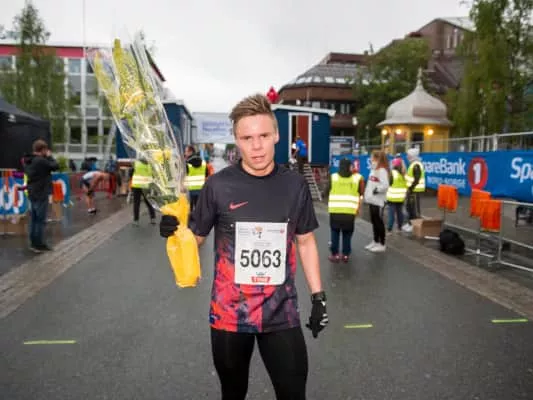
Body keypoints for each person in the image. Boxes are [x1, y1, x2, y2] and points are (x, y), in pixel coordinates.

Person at [159, 93, 328, 400]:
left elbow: (305, 241)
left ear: (276, 135)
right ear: (236, 141)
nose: (257, 146)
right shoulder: (218, 185)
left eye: (263, 135)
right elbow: (196, 238)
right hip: (230, 313)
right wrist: (175, 233)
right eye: (247, 138)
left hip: (281, 310)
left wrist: (319, 297)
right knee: (233, 394)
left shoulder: (295, 185)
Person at [23, 139, 59, 253]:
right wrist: (50, 157)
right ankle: (39, 244)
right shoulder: (40, 160)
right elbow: (55, 166)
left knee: (34, 219)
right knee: (40, 220)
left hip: (32, 192)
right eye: (45, 150)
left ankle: (33, 243)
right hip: (41, 192)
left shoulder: (28, 160)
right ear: (42, 149)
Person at [326, 158, 364, 263]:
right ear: (350, 167)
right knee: (347, 234)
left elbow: (326, 191)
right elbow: (361, 193)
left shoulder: (333, 177)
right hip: (349, 212)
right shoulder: (356, 179)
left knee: (335, 233)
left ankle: (335, 255)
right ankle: (346, 254)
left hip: (335, 211)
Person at [363, 150, 390, 252]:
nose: (370, 159)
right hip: (372, 200)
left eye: (372, 157)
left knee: (378, 222)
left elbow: (385, 185)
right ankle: (375, 241)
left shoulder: (382, 170)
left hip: (378, 201)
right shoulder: (373, 169)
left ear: (377, 158)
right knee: (374, 221)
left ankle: (382, 244)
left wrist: (376, 190)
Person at [404, 147, 425, 231]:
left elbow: (417, 178)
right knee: (409, 207)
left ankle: (415, 226)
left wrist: (411, 188)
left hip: (415, 191)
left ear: (412, 156)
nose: (407, 156)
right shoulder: (413, 164)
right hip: (411, 190)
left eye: (408, 155)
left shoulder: (416, 165)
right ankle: (410, 223)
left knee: (414, 209)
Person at [130, 158, 156, 226]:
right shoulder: (149, 165)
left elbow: (131, 173)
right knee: (148, 202)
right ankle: (153, 218)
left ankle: (136, 221)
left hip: (137, 185)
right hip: (145, 186)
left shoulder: (136, 164)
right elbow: (152, 175)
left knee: (136, 203)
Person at [386, 157, 408, 234]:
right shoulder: (404, 174)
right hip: (401, 197)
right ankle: (399, 228)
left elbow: (389, 183)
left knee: (391, 214)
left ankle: (389, 229)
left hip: (392, 197)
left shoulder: (392, 173)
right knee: (400, 213)